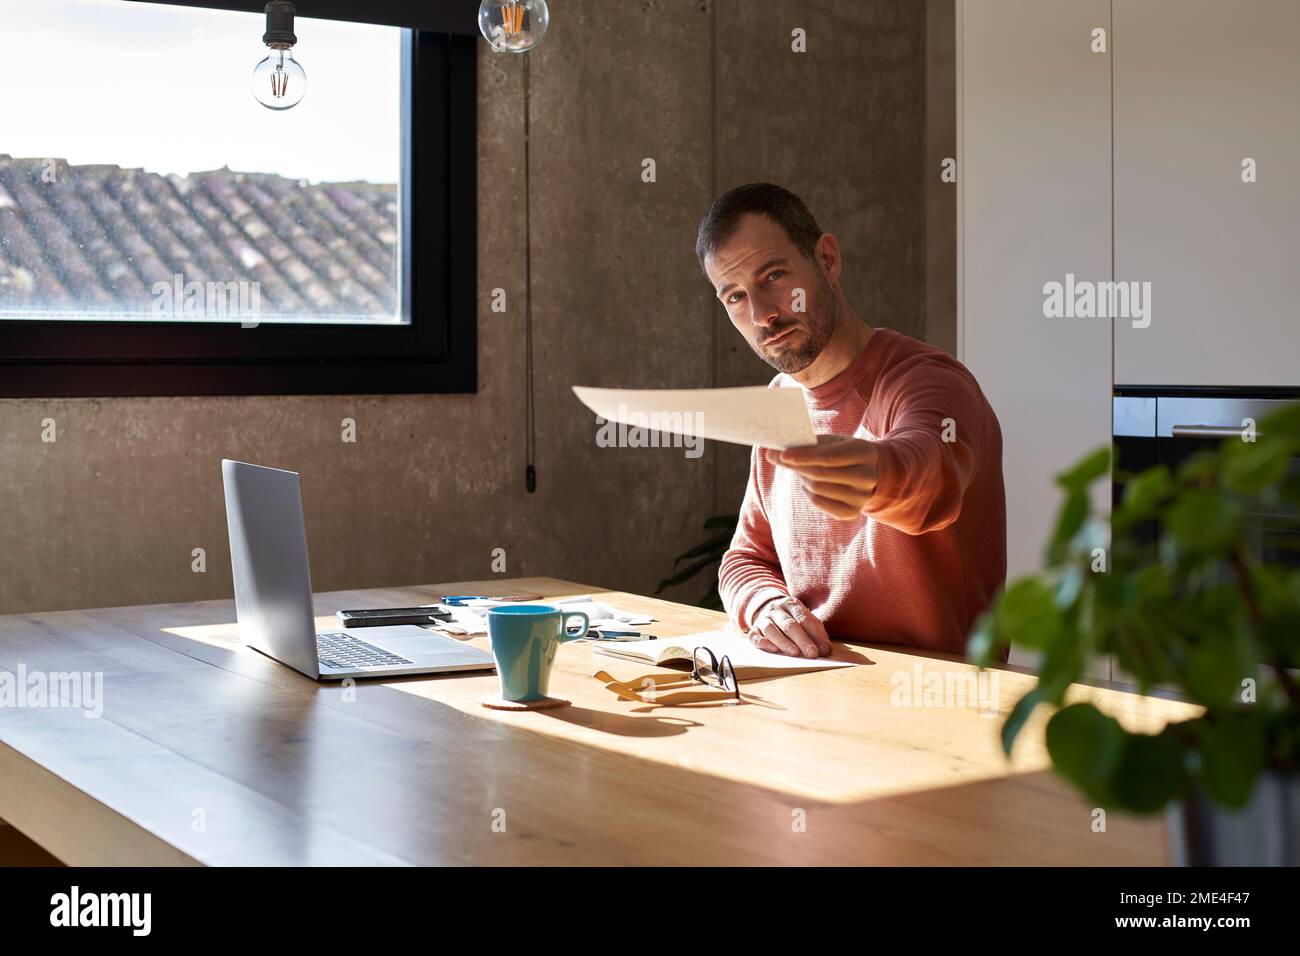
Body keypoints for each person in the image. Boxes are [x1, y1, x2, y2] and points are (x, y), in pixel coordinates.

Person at [697, 183, 1006, 658]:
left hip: (938, 708)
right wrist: (765, 606)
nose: (762, 314)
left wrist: (874, 474)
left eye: (774, 275)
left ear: (827, 259)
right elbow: (745, 559)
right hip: (815, 696)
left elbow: (930, 479)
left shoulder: (929, 380)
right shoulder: (780, 403)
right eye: (735, 296)